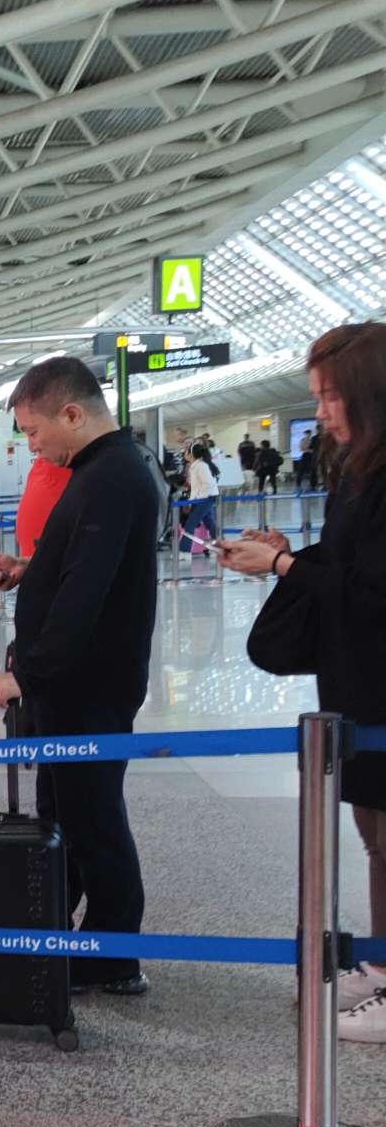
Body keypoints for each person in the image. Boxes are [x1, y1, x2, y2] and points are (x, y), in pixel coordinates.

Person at [0, 356, 163, 997]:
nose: (31, 446)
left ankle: (113, 954)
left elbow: (86, 594)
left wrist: (25, 675)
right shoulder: (98, 473)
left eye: (33, 431)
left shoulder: (112, 478)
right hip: (73, 685)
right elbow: (80, 565)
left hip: (90, 686)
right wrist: (28, 570)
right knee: (66, 812)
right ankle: (62, 927)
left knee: (95, 820)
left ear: (73, 414)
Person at [219, 324, 386, 1040]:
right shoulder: (358, 469)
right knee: (374, 831)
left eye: (330, 396)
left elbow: (374, 590)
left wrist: (285, 569)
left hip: (378, 681)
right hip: (356, 682)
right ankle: (380, 961)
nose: (320, 412)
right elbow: (349, 562)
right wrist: (288, 552)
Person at [180, 442, 218, 552]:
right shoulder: (195, 466)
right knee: (209, 522)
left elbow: (207, 484)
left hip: (206, 498)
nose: (184, 453)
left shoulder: (201, 466)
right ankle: (221, 543)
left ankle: (184, 551)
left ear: (191, 454)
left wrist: (199, 499)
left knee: (190, 524)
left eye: (186, 452)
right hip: (204, 498)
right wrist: (191, 502)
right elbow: (197, 487)